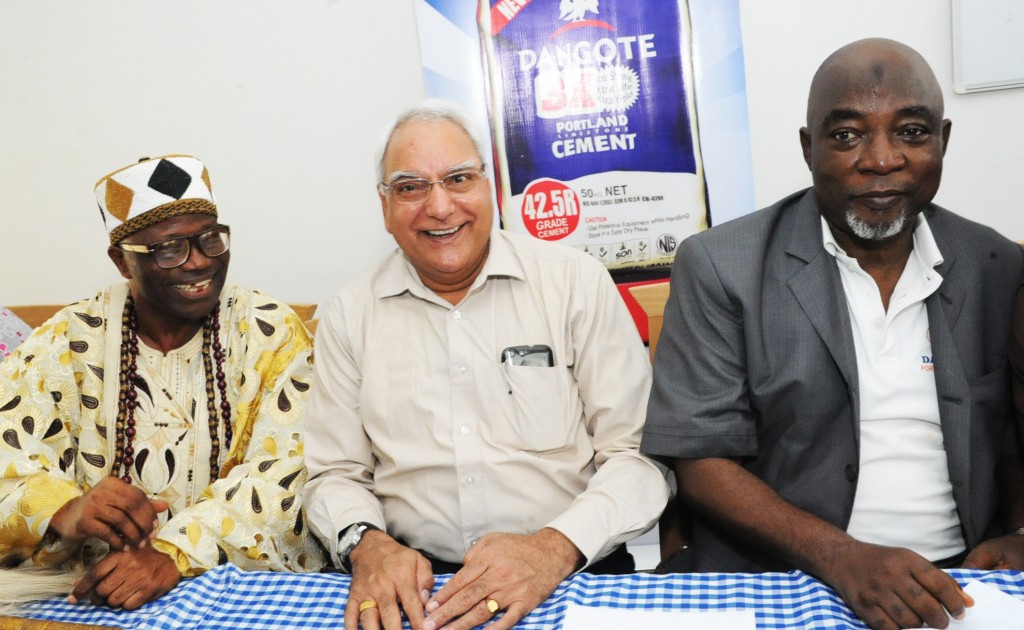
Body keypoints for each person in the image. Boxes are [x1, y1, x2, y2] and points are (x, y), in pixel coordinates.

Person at [642, 38, 1024, 630]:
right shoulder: (723, 264)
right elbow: (700, 460)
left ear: (942, 141)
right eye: (847, 135)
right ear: (807, 148)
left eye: (912, 132)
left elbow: (1014, 435)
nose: (881, 159)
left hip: (960, 582)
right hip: (781, 577)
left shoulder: (999, 265)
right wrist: (843, 558)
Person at [302, 100, 670, 630]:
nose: (440, 206)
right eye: (410, 187)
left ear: (491, 188)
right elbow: (334, 473)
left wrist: (553, 548)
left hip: (572, 571)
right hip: (415, 590)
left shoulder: (574, 284)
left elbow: (640, 457)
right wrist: (368, 545)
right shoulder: (349, 313)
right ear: (384, 207)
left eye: (458, 179)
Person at [0, 155, 325, 610]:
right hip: (85, 593)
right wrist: (64, 509)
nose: (198, 263)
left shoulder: (269, 332)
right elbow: (7, 457)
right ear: (121, 261)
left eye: (210, 240)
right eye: (169, 249)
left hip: (232, 588)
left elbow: (290, 473)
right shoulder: (66, 340)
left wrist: (174, 553)